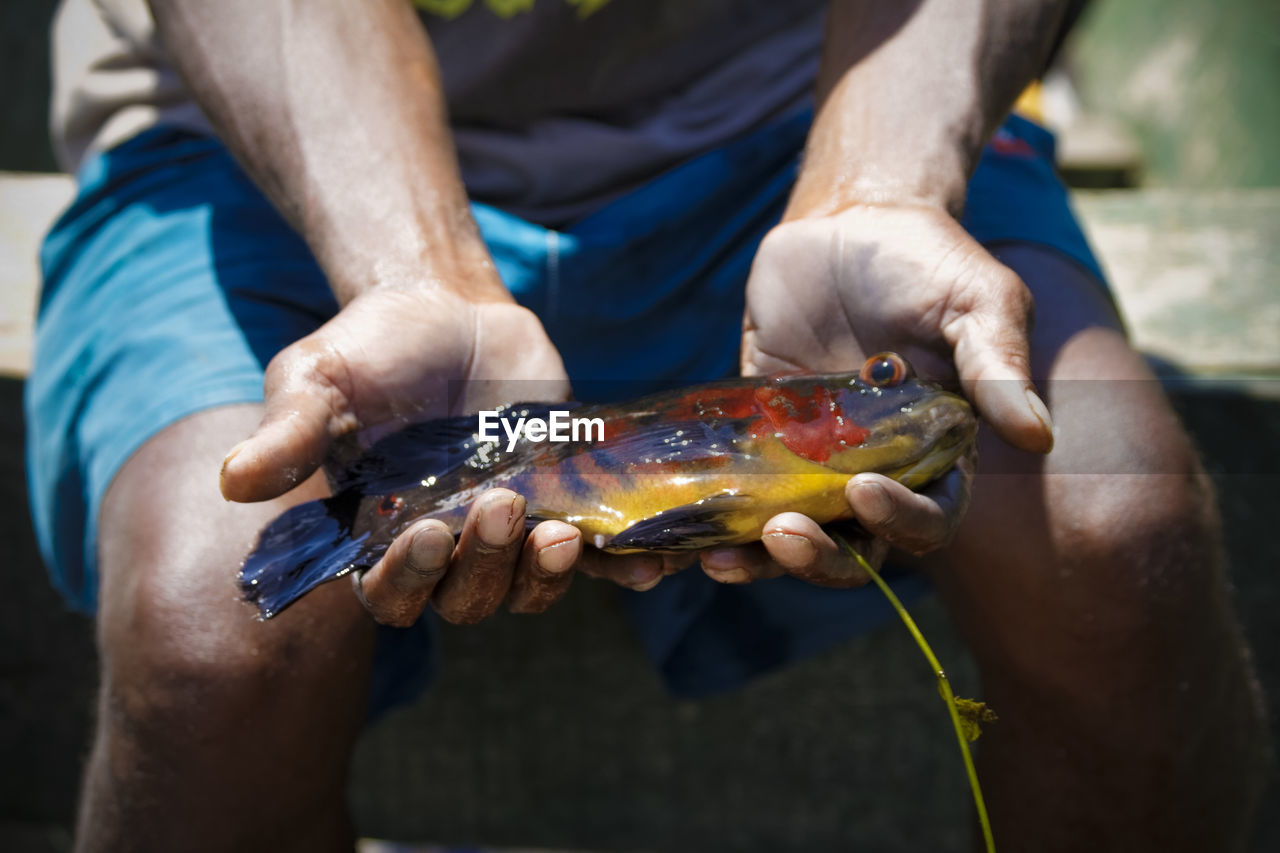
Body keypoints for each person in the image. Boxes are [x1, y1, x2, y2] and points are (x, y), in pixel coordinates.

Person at [28, 0, 1265, 850]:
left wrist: (878, 185)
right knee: (210, 636)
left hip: (815, 120)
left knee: (1121, 527)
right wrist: (413, 271)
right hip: (253, 142)